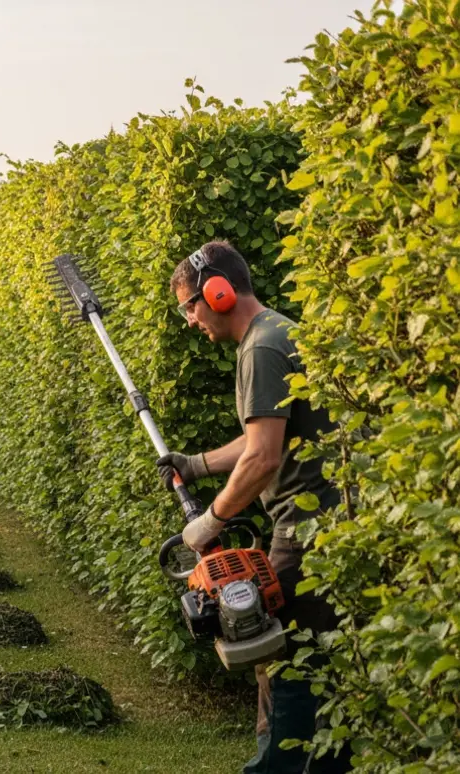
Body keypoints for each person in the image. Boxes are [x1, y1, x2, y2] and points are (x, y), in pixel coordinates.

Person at [157, 241, 349, 774]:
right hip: (332, 530)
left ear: (217, 292)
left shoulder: (260, 349)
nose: (189, 320)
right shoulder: (281, 332)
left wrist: (211, 520)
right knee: (327, 682)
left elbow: (264, 457)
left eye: (188, 306)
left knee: (288, 676)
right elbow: (267, 437)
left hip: (304, 536)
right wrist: (195, 464)